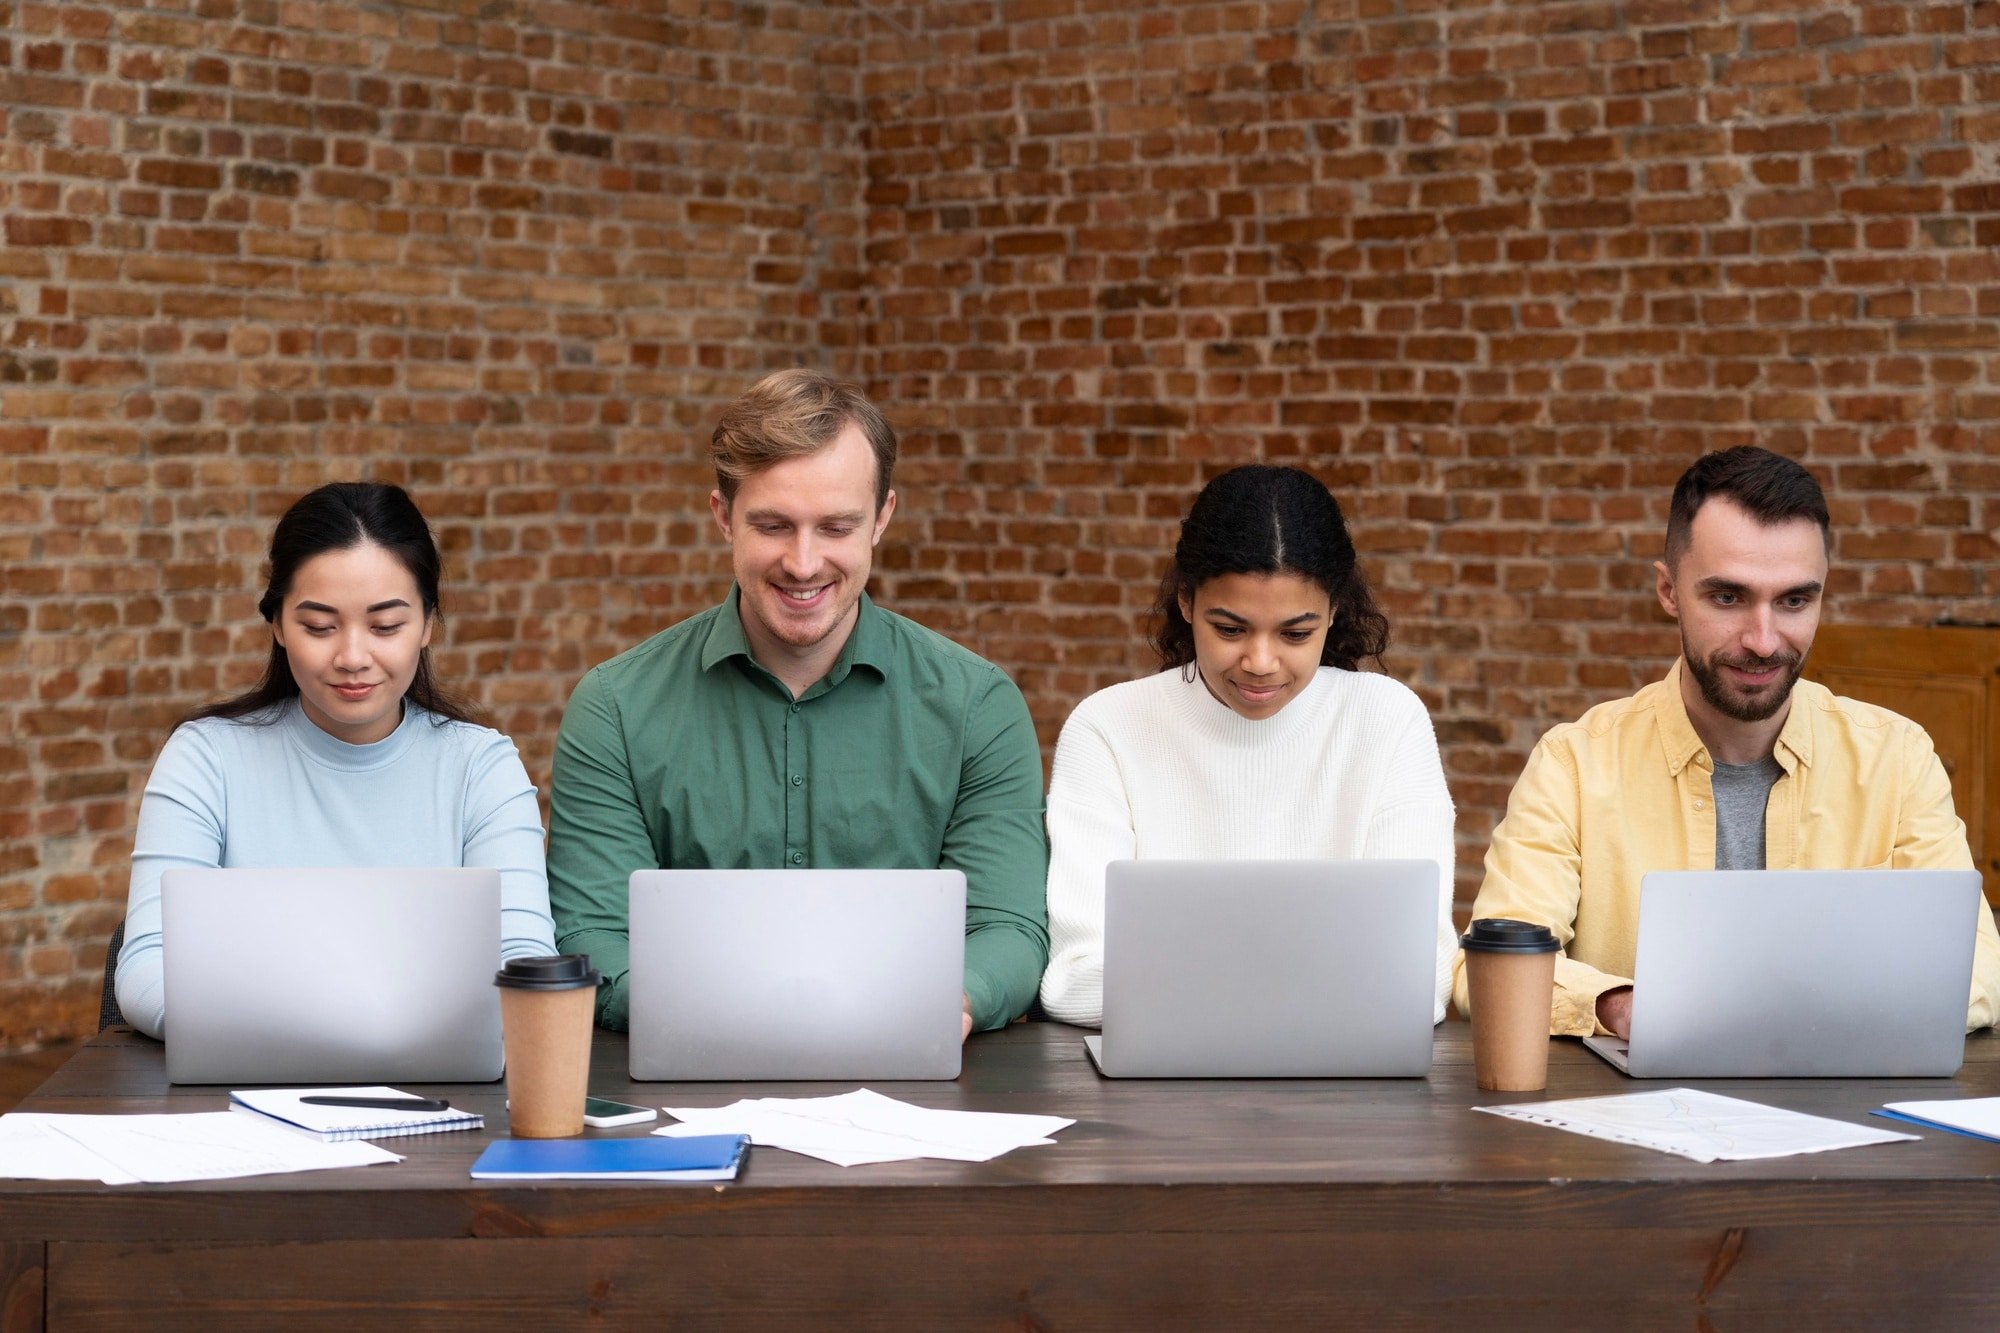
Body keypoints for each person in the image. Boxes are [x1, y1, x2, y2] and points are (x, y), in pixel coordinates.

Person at [546, 368, 1048, 1037]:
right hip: (687, 1069)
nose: (804, 563)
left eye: (836, 526)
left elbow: (1007, 926)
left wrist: (948, 1003)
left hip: (910, 1064)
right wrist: (732, 1016)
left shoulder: (978, 707)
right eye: (774, 525)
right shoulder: (614, 709)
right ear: (722, 516)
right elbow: (595, 934)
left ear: (882, 518)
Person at [1458, 445, 2000, 1036]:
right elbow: (1491, 967)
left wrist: (1794, 1017)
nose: (1763, 641)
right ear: (1668, 591)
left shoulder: (1898, 760)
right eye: (1728, 597)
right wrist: (1624, 1007)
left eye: (1794, 600)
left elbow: (1977, 970)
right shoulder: (1574, 765)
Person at [115, 482, 558, 1040]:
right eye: (320, 627)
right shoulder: (206, 759)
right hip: (249, 1080)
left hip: (436, 1085)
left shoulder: (480, 769)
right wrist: (340, 1033)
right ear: (277, 625)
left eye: (385, 626)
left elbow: (526, 966)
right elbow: (147, 969)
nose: (352, 657)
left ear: (427, 624)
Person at [1039, 465, 1459, 1027]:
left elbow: (1417, 977)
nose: (1260, 663)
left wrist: (1188, 983)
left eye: (1295, 634)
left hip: (1336, 1073)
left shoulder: (1387, 721)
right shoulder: (1108, 728)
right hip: (1170, 1077)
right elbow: (1077, 979)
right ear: (1185, 602)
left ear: (1333, 612)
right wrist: (1312, 985)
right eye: (1230, 629)